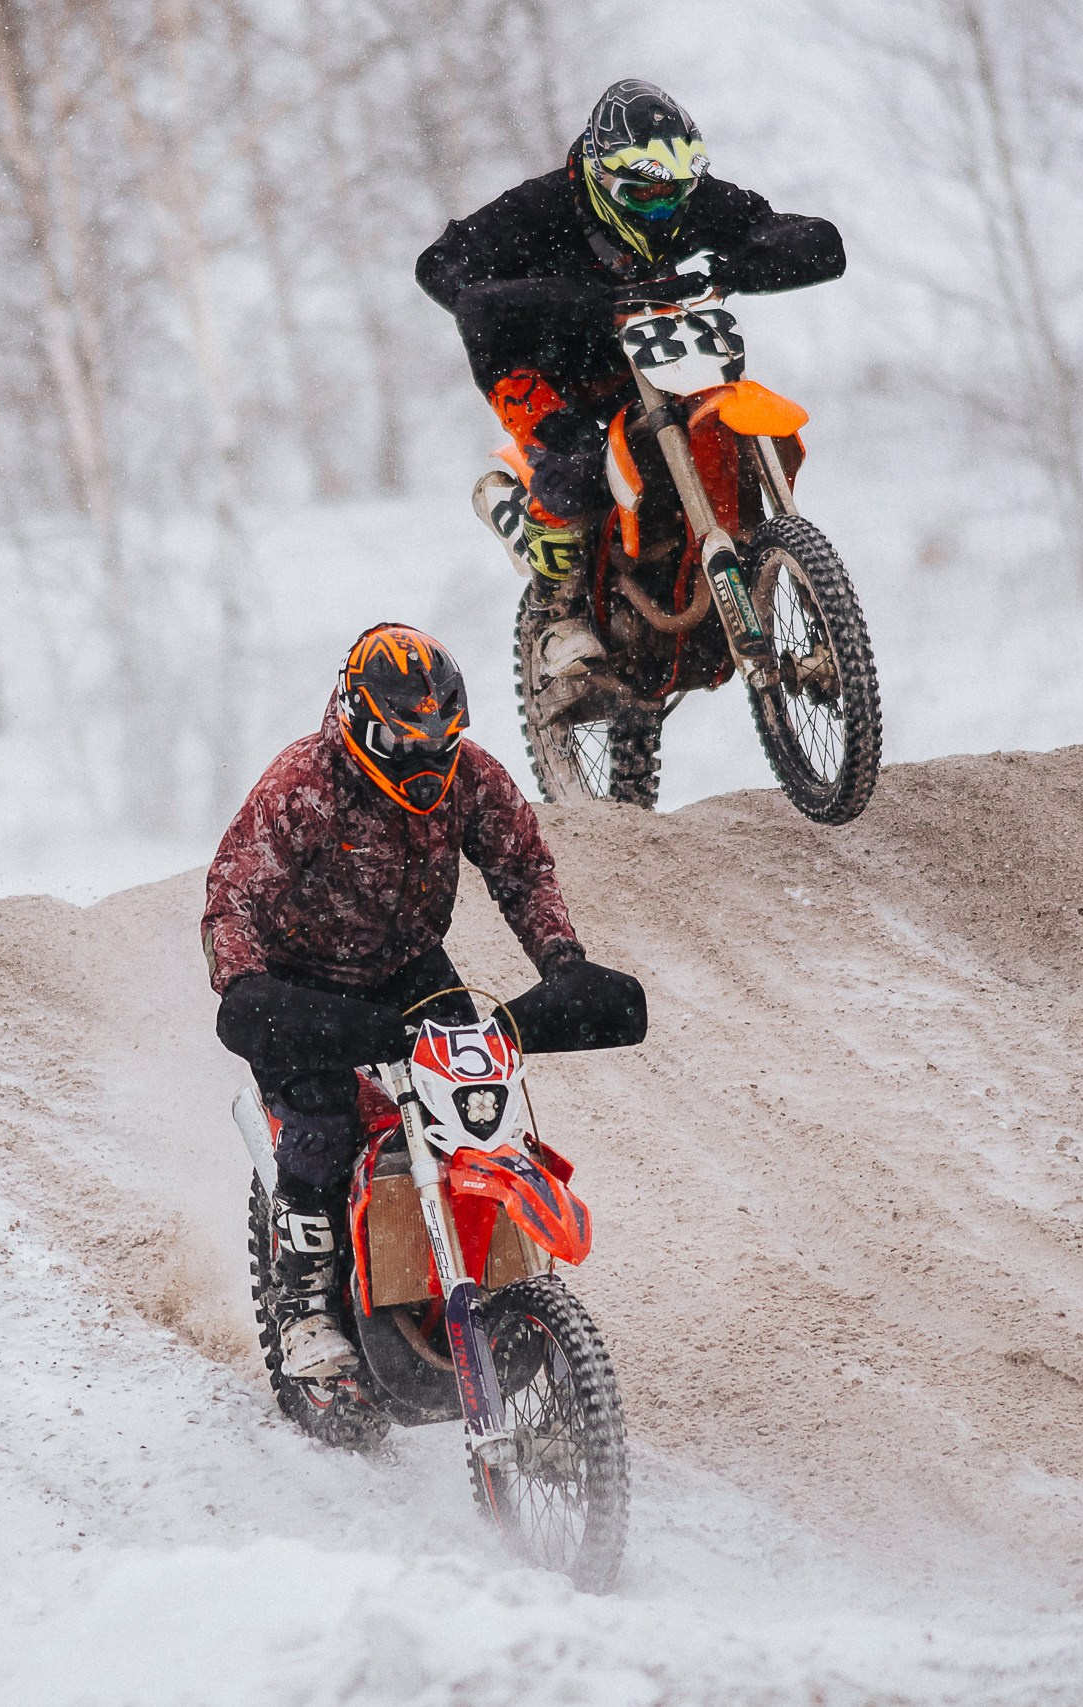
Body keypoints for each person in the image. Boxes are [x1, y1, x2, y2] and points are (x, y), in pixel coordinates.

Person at [203, 624, 643, 1380]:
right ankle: (304, 1304)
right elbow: (231, 896)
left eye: (439, 738)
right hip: (299, 979)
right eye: (404, 742)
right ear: (360, 725)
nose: (424, 756)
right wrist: (243, 986)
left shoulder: (471, 776)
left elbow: (523, 867)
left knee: (474, 1087)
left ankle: (493, 1265)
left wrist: (561, 961)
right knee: (319, 1120)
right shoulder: (302, 784)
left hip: (407, 966)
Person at [416, 79, 847, 600]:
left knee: (702, 432)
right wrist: (546, 297)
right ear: (603, 176)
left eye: (675, 192)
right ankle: (559, 613)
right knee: (574, 467)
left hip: (642, 355)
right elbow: (439, 263)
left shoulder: (691, 198)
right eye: (644, 193)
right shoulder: (538, 210)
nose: (662, 207)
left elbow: (798, 234)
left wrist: (748, 264)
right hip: (540, 366)